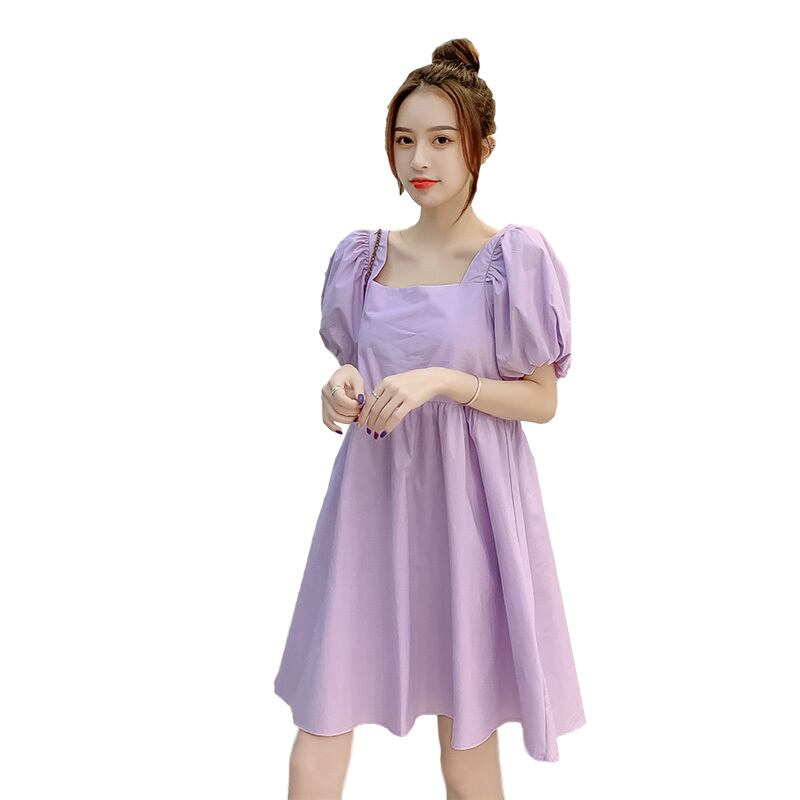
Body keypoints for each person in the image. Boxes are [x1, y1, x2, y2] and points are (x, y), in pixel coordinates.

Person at [273, 37, 586, 799]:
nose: (421, 158)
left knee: (466, 741)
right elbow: (357, 364)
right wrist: (339, 383)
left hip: (472, 511)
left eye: (443, 140)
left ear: (483, 147)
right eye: (405, 139)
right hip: (371, 503)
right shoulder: (363, 258)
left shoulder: (514, 260)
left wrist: (447, 382)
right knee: (321, 722)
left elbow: (541, 400)